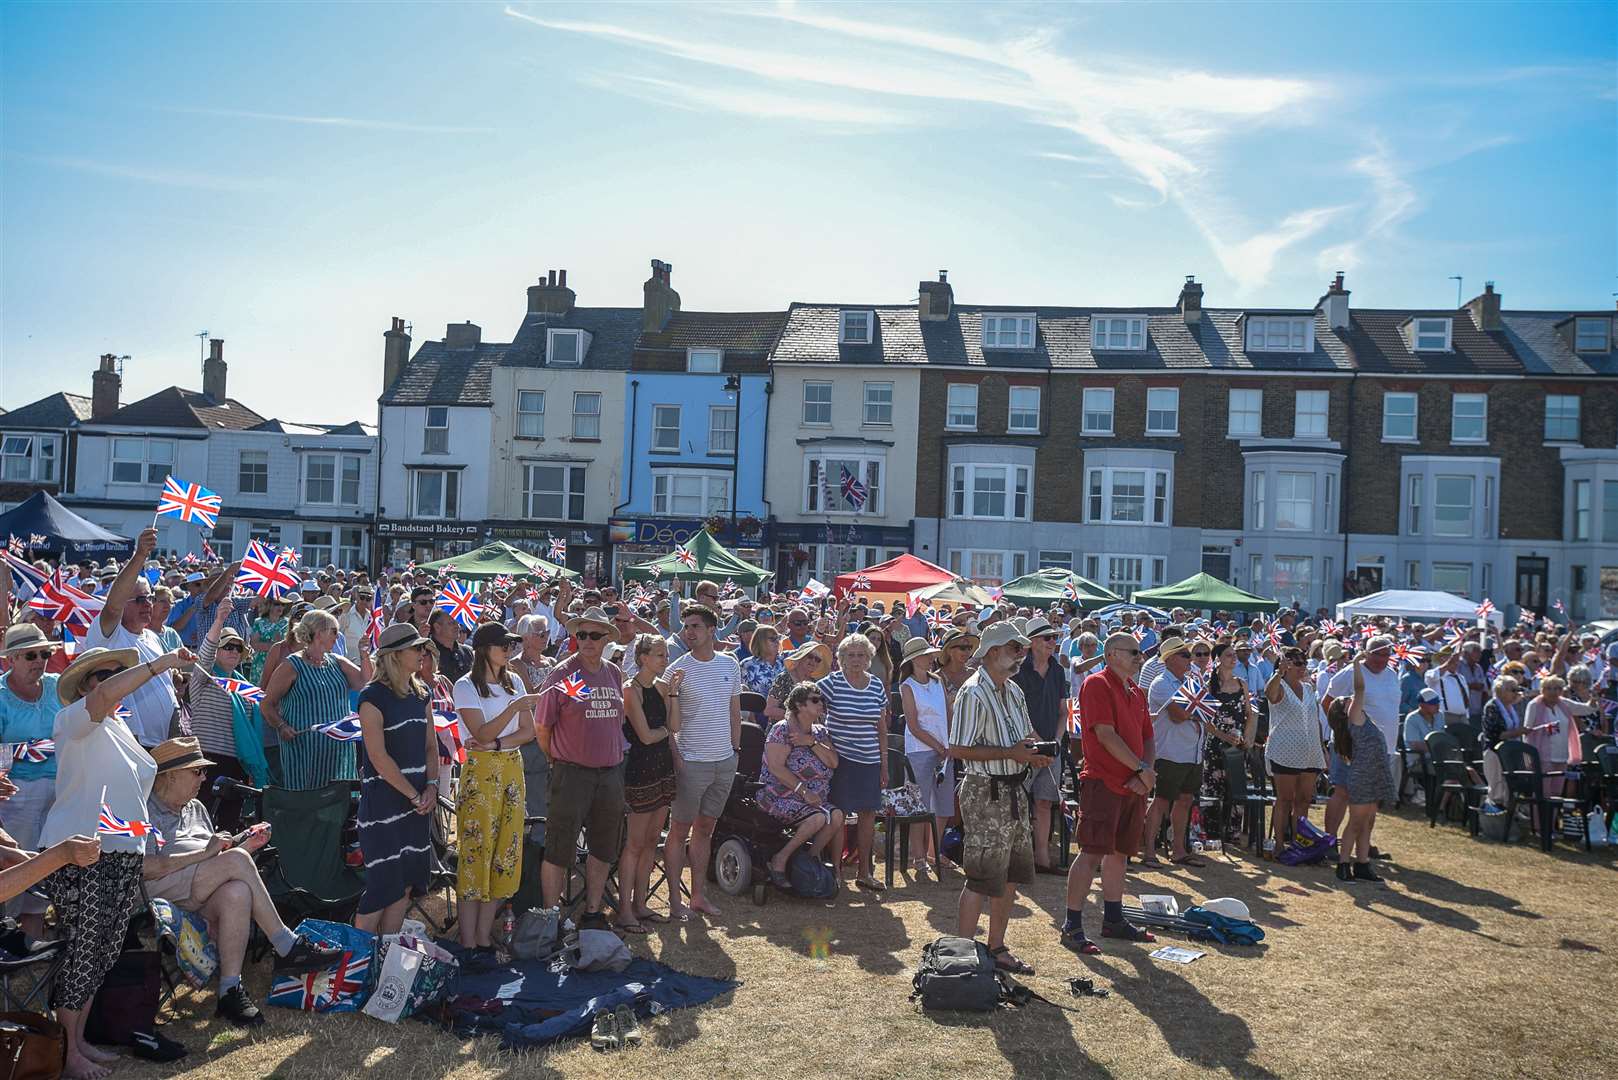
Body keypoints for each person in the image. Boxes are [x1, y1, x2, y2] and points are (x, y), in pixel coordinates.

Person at [38, 644, 190, 1079]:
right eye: (100, 676)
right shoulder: (72, 721)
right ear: (85, 687)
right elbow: (104, 701)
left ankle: (78, 1040)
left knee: (101, 954)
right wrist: (161, 664)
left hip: (121, 855)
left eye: (112, 674)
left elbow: (132, 795)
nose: (109, 682)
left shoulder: (120, 728)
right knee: (84, 950)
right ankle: (65, 1053)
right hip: (82, 853)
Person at [143, 738, 336, 1026]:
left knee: (238, 890)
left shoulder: (195, 808)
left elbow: (219, 860)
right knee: (236, 863)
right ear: (171, 775)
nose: (204, 778)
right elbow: (146, 869)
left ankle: (229, 990)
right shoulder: (145, 810)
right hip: (162, 890)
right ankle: (285, 944)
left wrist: (245, 844)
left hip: (201, 888)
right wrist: (211, 852)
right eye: (197, 771)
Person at [951, 622, 1050, 974]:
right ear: (993, 651)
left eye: (1021, 648)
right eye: (1014, 648)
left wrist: (1038, 750)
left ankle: (996, 948)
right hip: (984, 790)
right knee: (981, 876)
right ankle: (961, 958)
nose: (1020, 654)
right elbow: (959, 748)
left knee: (1009, 875)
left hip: (1013, 789)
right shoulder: (972, 692)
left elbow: (1026, 733)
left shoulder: (1013, 690)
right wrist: (1012, 752)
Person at [1062, 631, 1156, 954]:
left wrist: (1143, 774)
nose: (1139, 657)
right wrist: (1141, 770)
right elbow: (1105, 735)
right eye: (1133, 652)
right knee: (1091, 852)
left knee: (1120, 853)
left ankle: (1113, 918)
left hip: (1132, 785)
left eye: (1140, 652)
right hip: (1103, 782)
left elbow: (1148, 737)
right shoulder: (1096, 684)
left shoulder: (1137, 692)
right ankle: (1072, 925)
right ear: (1112, 653)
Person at [534, 607, 625, 931]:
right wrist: (557, 758)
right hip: (571, 773)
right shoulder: (564, 674)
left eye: (594, 635)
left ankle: (592, 911)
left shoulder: (614, 673)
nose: (587, 641)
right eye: (581, 634)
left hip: (610, 773)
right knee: (559, 846)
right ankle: (550, 918)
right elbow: (542, 726)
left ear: (606, 640)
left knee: (603, 846)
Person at [452, 622, 538, 958]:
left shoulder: (514, 680)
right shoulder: (465, 686)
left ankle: (485, 938)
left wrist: (500, 741)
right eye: (504, 646)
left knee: (505, 853)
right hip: (480, 774)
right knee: (476, 852)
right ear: (486, 649)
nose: (509, 651)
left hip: (511, 770)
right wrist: (512, 710)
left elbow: (527, 733)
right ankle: (468, 940)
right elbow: (479, 733)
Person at [354, 624, 438, 936]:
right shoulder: (371, 697)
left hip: (417, 804)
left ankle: (386, 961)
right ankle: (356, 971)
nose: (423, 653)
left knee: (403, 887)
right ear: (395, 655)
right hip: (384, 806)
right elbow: (377, 758)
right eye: (417, 648)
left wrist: (431, 786)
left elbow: (431, 746)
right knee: (381, 890)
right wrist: (414, 796)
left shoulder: (422, 693)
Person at [664, 603, 742, 919]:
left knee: (706, 829)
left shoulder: (730, 664)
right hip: (691, 763)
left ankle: (698, 897)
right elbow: (669, 724)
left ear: (712, 629)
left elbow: (735, 712)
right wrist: (677, 758)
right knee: (679, 831)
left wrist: (735, 752)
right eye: (687, 626)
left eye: (696, 626)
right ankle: (674, 900)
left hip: (724, 761)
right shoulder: (677, 669)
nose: (689, 632)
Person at [83, 528, 178, 748]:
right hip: (130, 742)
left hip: (163, 743)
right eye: (140, 599)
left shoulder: (152, 637)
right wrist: (140, 556)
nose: (148, 604)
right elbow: (114, 606)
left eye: (151, 598)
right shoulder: (109, 635)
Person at [0, 623, 66, 935]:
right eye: (30, 655)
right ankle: (7, 943)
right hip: (16, 794)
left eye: (44, 653)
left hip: (58, 791)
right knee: (16, 868)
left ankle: (33, 947)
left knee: (44, 867)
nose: (39, 660)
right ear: (10, 659)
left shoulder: (57, 686)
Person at [184, 604, 274, 827]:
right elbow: (204, 654)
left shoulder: (245, 688)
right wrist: (219, 621)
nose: (234, 651)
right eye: (228, 647)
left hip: (238, 763)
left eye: (237, 648)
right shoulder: (204, 676)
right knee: (200, 822)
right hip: (207, 759)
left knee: (228, 823)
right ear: (217, 651)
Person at [260, 608, 370, 790]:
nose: (338, 636)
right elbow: (267, 704)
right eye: (334, 631)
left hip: (338, 752)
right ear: (319, 633)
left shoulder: (337, 661)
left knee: (340, 804)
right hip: (305, 752)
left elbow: (365, 682)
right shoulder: (291, 665)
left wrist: (364, 655)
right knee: (307, 805)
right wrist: (281, 726)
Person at [818, 632, 888, 892]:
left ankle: (864, 872)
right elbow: (807, 707)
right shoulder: (831, 683)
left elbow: (881, 728)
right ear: (841, 658)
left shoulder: (877, 685)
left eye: (861, 655)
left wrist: (883, 764)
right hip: (840, 761)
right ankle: (835, 873)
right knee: (839, 815)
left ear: (869, 658)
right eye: (851, 655)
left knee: (868, 815)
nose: (856, 659)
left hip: (869, 760)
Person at [619, 634, 680, 932]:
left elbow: (676, 726)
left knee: (650, 843)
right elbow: (645, 736)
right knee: (633, 844)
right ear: (642, 657)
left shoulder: (663, 687)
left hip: (662, 770)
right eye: (659, 654)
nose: (664, 660)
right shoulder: (631, 691)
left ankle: (640, 904)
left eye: (665, 655)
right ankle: (624, 911)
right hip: (641, 772)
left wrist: (675, 696)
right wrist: (665, 732)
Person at [756, 681, 843, 886]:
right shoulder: (782, 730)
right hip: (780, 796)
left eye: (821, 699)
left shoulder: (820, 732)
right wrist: (803, 791)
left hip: (814, 799)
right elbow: (776, 767)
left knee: (837, 816)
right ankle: (781, 858)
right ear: (799, 705)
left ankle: (806, 861)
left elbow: (833, 762)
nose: (820, 703)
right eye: (814, 700)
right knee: (818, 819)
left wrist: (810, 742)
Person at [1324, 635, 1400, 846]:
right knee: (1343, 791)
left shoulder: (1392, 674)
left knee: (1371, 796)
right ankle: (1329, 841)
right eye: (1377, 655)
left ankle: (1362, 846)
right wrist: (1342, 734)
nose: (1382, 659)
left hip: (1381, 746)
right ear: (1366, 653)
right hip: (1353, 745)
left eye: (1386, 655)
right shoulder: (1350, 673)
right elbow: (1328, 702)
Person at [1011, 616, 1069, 874]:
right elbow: (1016, 713)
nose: (1052, 642)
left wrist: (1055, 741)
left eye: (1055, 637)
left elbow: (1063, 711)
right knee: (1017, 803)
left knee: (1045, 802)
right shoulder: (1018, 670)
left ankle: (1042, 859)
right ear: (1032, 642)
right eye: (1047, 637)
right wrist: (1038, 741)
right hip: (1023, 746)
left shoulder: (1058, 670)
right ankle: (1017, 858)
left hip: (1051, 747)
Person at [1325, 658, 1391, 883]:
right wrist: (1356, 665)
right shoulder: (1354, 717)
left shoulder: (1355, 718)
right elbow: (1360, 688)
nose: (1350, 699)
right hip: (1363, 777)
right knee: (1356, 822)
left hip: (1372, 775)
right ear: (1345, 712)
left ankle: (1363, 863)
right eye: (1346, 701)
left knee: (1368, 822)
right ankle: (1344, 864)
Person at [1141, 640, 1204, 867]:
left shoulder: (1189, 682)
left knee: (1185, 800)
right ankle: (1149, 851)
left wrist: (1195, 712)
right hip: (1170, 752)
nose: (1190, 658)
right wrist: (1197, 712)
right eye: (1185, 655)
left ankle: (1178, 850)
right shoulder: (1161, 683)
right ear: (1170, 659)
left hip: (1192, 752)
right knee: (1161, 801)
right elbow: (1178, 715)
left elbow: (1203, 711)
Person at [1262, 646, 1327, 853]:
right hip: (1285, 751)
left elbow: (1314, 719)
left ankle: (1300, 843)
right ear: (1287, 665)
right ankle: (1280, 844)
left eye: (1304, 662)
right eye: (1298, 663)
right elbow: (1269, 695)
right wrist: (1278, 673)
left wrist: (1322, 746)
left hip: (1310, 752)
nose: (1303, 667)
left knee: (1303, 800)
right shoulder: (1279, 685)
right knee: (1285, 799)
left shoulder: (1308, 688)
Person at [898, 636, 952, 876]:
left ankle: (933, 852)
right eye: (925, 654)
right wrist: (939, 746)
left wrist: (949, 744)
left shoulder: (938, 681)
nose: (930, 658)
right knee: (920, 807)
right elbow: (914, 725)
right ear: (914, 659)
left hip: (944, 749)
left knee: (942, 806)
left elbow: (948, 714)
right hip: (920, 751)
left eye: (930, 654)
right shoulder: (907, 686)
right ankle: (919, 857)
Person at [1202, 641, 1256, 808]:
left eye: (1234, 655)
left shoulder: (1241, 684)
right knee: (1213, 791)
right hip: (1215, 744)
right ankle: (1211, 831)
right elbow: (1206, 722)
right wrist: (1225, 737)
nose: (1234, 658)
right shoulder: (1209, 685)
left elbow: (1249, 713)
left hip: (1237, 744)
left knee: (1236, 791)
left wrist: (1246, 737)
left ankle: (1233, 832)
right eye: (1229, 655)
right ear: (1218, 659)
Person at [763, 642, 829, 722]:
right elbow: (769, 710)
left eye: (817, 660)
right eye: (810, 656)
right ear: (800, 657)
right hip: (783, 730)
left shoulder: (816, 684)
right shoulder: (784, 678)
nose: (813, 661)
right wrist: (798, 717)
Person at [1402, 687, 1443, 785]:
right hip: (1419, 761)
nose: (1437, 705)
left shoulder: (1440, 715)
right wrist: (1438, 748)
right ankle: (1437, 799)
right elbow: (1415, 745)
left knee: (1466, 769)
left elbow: (1443, 738)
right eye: (1433, 703)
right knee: (1446, 771)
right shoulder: (1412, 719)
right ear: (1422, 705)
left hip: (1438, 759)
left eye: (1438, 702)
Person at [248, 596, 290, 684]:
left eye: (283, 604)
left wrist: (268, 645)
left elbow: (290, 645)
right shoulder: (259, 622)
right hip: (260, 664)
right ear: (269, 605)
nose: (280, 607)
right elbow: (254, 644)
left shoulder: (288, 623)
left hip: (280, 663)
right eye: (277, 604)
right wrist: (276, 645)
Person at [429, 609, 474, 686]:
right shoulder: (428, 653)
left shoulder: (467, 651)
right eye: (452, 623)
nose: (457, 626)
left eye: (457, 622)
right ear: (437, 627)